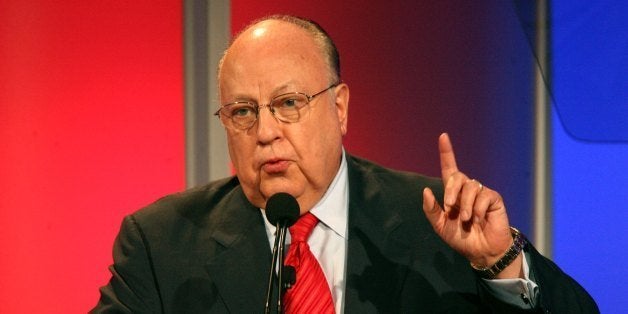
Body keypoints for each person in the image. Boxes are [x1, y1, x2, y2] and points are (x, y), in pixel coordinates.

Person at [92, 15, 598, 313]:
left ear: (339, 109)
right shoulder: (161, 243)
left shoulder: (442, 223)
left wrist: (500, 263)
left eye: (289, 103)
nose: (266, 132)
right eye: (243, 111)